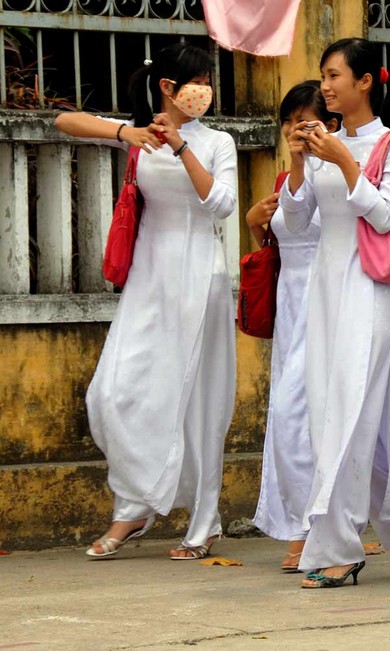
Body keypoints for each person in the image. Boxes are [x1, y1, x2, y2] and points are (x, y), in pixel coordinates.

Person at [56, 43, 238, 560]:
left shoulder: (218, 141)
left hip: (201, 276)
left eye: (208, 79)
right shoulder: (141, 136)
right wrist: (126, 132)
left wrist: (182, 146)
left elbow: (222, 204)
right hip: (148, 279)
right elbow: (64, 121)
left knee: (200, 404)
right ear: (167, 88)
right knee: (111, 393)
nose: (204, 88)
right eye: (195, 79)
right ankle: (135, 507)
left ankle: (204, 522)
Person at [278, 37, 390, 589]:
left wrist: (345, 160)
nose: (325, 86)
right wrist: (299, 164)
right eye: (322, 76)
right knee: (337, 418)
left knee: (349, 418)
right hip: (323, 291)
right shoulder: (322, 143)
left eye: (334, 75)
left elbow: (387, 215)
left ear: (366, 81)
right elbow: (295, 226)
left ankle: (339, 548)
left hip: (369, 291)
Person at [249, 81, 339, 572]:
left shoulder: (343, 170)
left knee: (296, 414)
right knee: (296, 415)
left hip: (327, 302)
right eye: (289, 121)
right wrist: (253, 222)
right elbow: (284, 237)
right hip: (290, 308)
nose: (295, 130)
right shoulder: (291, 178)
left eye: (306, 120)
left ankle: (310, 527)